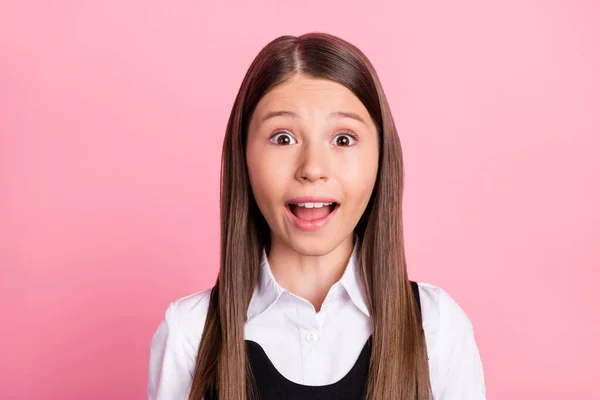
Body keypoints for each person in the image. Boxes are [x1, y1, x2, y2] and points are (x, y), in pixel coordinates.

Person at [147, 32, 486, 400]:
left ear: (381, 156)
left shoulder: (436, 327)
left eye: (343, 139)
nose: (312, 168)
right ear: (243, 155)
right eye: (282, 138)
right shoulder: (189, 334)